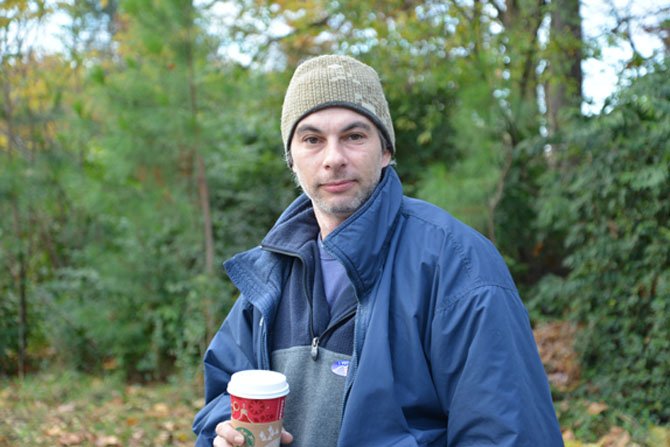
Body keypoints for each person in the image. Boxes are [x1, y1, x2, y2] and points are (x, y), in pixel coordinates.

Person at [192, 54, 564, 447]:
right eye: (312, 139)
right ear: (292, 160)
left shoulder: (458, 265)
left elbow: (509, 433)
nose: (333, 158)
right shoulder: (269, 274)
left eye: (354, 136)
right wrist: (225, 435)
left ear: (386, 151)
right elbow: (221, 401)